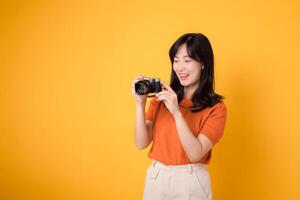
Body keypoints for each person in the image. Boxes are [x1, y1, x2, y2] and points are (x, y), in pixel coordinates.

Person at [132, 33, 227, 200]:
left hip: (190, 181)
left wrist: (176, 112)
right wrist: (140, 104)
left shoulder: (216, 109)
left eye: (187, 61)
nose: (180, 67)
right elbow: (141, 143)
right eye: (176, 61)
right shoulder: (161, 98)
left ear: (203, 63)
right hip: (157, 177)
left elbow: (195, 153)